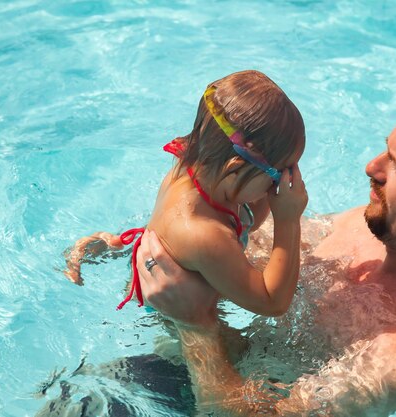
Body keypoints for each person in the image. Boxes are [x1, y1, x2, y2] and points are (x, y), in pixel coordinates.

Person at [135, 74, 396, 415]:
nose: (372, 168)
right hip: (185, 373)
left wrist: (197, 328)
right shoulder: (369, 224)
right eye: (386, 150)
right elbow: (236, 249)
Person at [63, 70, 308, 319]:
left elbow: (249, 222)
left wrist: (271, 179)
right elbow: (272, 303)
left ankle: (109, 244)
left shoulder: (195, 168)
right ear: (234, 168)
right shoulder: (205, 233)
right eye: (278, 175)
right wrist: (288, 220)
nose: (276, 186)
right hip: (165, 318)